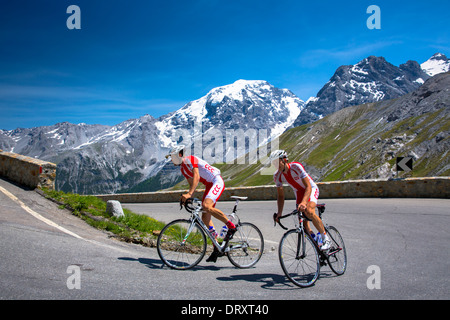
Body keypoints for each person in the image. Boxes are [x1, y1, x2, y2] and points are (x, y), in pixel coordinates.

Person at [166, 145, 237, 262]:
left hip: (216, 181)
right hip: (209, 185)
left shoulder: (190, 159)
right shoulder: (183, 169)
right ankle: (216, 247)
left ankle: (231, 226)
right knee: (205, 217)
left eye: (172, 157)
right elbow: (192, 185)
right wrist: (188, 198)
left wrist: (189, 194)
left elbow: (197, 177)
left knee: (206, 206)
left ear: (179, 155)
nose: (171, 159)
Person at [270, 150, 330, 250]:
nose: (276, 165)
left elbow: (308, 187)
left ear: (284, 160)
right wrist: (279, 213)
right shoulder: (277, 176)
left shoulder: (296, 167)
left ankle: (325, 238)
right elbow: (280, 196)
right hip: (299, 193)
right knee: (304, 225)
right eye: (273, 163)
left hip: (310, 189)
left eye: (277, 162)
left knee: (309, 211)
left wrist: (303, 202)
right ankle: (317, 243)